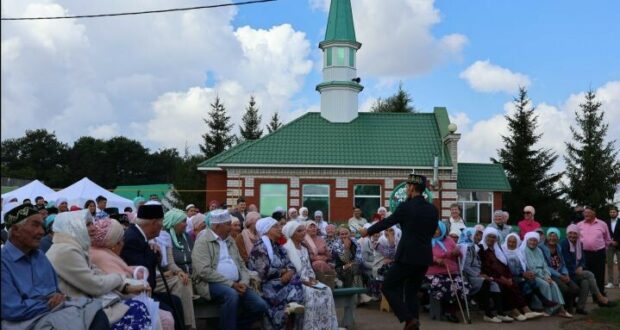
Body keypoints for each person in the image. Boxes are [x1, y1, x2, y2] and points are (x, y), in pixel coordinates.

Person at [2, 204, 111, 330]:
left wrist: (58, 298)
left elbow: (56, 292)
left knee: (95, 311)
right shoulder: (3, 262)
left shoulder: (40, 256)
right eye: (35, 225)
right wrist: (49, 303)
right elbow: (12, 309)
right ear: (16, 230)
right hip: (24, 322)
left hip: (54, 312)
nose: (42, 232)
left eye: (42, 226)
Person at [46, 210, 153, 329]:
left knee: (140, 307)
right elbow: (95, 285)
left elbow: (98, 274)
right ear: (73, 227)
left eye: (92, 223)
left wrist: (126, 286)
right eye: (87, 224)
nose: (93, 228)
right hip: (79, 312)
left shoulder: (76, 247)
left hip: (87, 307)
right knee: (138, 309)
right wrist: (120, 279)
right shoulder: (65, 251)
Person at [359, 173, 438, 330]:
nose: (407, 189)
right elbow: (431, 232)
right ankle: (413, 326)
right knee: (411, 293)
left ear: (411, 188)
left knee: (388, 287)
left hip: (407, 256)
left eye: (408, 186)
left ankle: (408, 319)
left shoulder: (406, 207)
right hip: (424, 257)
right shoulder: (432, 209)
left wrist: (367, 231)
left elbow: (388, 221)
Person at [90, 218, 175, 329]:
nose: (123, 243)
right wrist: (135, 284)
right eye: (121, 239)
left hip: (116, 300)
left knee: (172, 303)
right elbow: (115, 281)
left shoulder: (101, 252)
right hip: (111, 304)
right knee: (165, 317)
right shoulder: (101, 256)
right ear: (114, 244)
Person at [192, 209, 268, 330]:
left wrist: (243, 282)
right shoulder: (203, 241)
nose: (231, 228)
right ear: (217, 226)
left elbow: (241, 265)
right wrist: (231, 284)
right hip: (210, 283)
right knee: (231, 295)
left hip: (237, 283)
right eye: (228, 224)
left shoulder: (230, 240)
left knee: (261, 306)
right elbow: (203, 271)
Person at [120, 202, 186, 330]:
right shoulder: (133, 239)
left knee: (176, 301)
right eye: (161, 223)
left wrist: (154, 252)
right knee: (169, 311)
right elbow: (142, 273)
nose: (162, 227)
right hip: (137, 294)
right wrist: (154, 254)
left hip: (147, 291)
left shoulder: (139, 235)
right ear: (154, 223)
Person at [248, 217, 305, 330]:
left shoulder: (278, 246)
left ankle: (291, 307)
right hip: (266, 285)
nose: (280, 229)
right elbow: (263, 273)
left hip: (281, 281)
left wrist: (289, 272)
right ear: (266, 230)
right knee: (290, 287)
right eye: (276, 227)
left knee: (297, 279)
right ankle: (288, 309)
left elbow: (291, 264)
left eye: (280, 226)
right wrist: (283, 272)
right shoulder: (260, 247)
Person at [282, 221, 339, 330]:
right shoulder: (286, 249)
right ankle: (309, 327)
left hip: (309, 280)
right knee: (311, 293)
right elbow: (290, 272)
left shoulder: (304, 248)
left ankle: (324, 326)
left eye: (303, 230)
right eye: (299, 231)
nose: (303, 233)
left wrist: (313, 280)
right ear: (292, 234)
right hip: (296, 283)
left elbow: (308, 268)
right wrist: (304, 282)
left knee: (326, 290)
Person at [479, 228, 544, 321]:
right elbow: (486, 268)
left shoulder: (495, 249)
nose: (491, 239)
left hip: (501, 275)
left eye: (494, 237)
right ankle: (514, 311)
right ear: (485, 236)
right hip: (490, 276)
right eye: (489, 236)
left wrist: (508, 276)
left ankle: (526, 310)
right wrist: (502, 278)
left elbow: (504, 265)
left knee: (512, 282)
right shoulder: (481, 249)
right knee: (506, 285)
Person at [560, 224, 615, 314]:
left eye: (575, 233)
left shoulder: (580, 244)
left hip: (577, 272)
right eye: (570, 233)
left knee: (585, 283)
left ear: (578, 234)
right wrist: (575, 269)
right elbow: (566, 261)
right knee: (589, 274)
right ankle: (600, 297)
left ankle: (580, 308)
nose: (573, 235)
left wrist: (581, 266)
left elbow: (582, 259)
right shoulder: (564, 244)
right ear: (567, 234)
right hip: (568, 273)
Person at [156, 209, 196, 329]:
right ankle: (185, 325)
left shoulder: (167, 236)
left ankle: (188, 325)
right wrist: (165, 273)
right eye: (183, 221)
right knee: (181, 283)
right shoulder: (148, 238)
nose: (186, 224)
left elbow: (171, 262)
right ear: (174, 222)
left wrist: (179, 271)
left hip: (171, 275)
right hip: (157, 277)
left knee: (182, 280)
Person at [459, 228, 507, 323]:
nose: (479, 237)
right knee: (486, 282)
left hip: (477, 275)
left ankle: (500, 313)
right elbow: (466, 267)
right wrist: (480, 274)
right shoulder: (465, 248)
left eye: (479, 235)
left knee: (494, 284)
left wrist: (482, 274)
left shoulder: (474, 247)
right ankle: (488, 314)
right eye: (476, 235)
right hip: (468, 277)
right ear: (469, 236)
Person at [521, 232, 573, 318]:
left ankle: (561, 309)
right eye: (531, 240)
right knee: (545, 285)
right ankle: (546, 309)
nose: (533, 242)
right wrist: (544, 277)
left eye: (535, 241)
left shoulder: (538, 250)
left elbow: (545, 265)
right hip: (533, 275)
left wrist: (547, 276)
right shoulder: (524, 251)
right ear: (526, 240)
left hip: (543, 274)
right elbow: (530, 268)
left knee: (553, 284)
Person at [425, 222, 468, 323]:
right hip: (433, 272)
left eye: (437, 229)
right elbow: (423, 255)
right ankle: (448, 312)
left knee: (464, 285)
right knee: (446, 285)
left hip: (451, 270)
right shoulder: (426, 240)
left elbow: (458, 253)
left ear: (442, 230)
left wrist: (457, 251)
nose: (434, 232)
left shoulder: (449, 240)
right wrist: (435, 259)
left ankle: (452, 310)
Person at [540, 228, 580, 313]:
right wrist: (560, 276)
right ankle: (565, 309)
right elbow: (546, 266)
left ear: (558, 238)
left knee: (575, 288)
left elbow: (563, 263)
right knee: (565, 289)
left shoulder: (558, 247)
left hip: (561, 272)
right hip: (550, 274)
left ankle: (567, 307)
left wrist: (566, 274)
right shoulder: (542, 248)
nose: (552, 238)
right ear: (547, 237)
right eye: (550, 235)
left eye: (555, 236)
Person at [577, 207, 612, 296]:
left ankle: (599, 296)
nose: (586, 214)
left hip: (599, 253)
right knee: (584, 275)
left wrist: (604, 250)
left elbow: (607, 239)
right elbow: (576, 239)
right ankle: (584, 295)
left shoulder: (602, 224)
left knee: (599, 275)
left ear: (594, 213)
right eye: (585, 213)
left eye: (588, 212)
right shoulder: (579, 225)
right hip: (584, 254)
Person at [332, 225, 364, 290]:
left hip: (352, 265)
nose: (344, 236)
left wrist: (351, 264)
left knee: (355, 267)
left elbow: (360, 259)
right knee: (354, 267)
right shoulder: (336, 245)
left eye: (346, 234)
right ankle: (358, 293)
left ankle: (358, 292)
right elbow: (344, 260)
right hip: (340, 267)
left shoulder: (355, 242)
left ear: (350, 234)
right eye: (342, 234)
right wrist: (346, 248)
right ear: (339, 235)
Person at [606, 206, 620, 288]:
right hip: (609, 245)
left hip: (619, 246)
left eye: (614, 212)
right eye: (611, 212)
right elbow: (604, 234)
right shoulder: (606, 222)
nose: (612, 213)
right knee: (610, 264)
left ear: (617, 213)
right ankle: (610, 282)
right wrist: (610, 241)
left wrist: (617, 242)